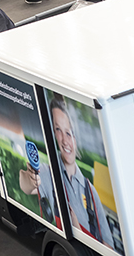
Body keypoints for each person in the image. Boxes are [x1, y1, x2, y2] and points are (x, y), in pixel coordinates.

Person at [48, 98, 115, 249]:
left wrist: (77, 228)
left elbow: (109, 247)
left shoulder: (90, 191)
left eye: (69, 133)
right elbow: (28, 184)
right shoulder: (49, 173)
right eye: (58, 130)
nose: (65, 141)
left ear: (75, 138)